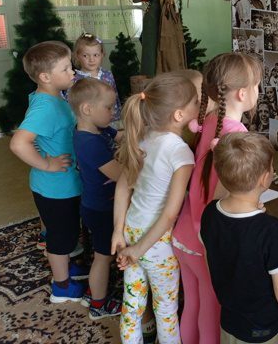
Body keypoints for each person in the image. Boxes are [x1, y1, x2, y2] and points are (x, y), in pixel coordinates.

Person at [172, 53, 262, 344]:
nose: (258, 91)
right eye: (257, 85)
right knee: (211, 311)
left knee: (192, 304)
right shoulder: (238, 135)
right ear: (242, 94)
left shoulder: (209, 119)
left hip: (183, 231)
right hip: (206, 241)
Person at [111, 73, 199, 344]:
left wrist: (118, 231)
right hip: (156, 243)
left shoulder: (143, 138)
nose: (200, 106)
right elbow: (170, 214)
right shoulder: (181, 153)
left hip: (132, 230)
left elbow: (123, 187)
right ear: (179, 115)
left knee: (132, 305)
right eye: (196, 102)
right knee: (166, 310)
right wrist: (139, 249)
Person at [10, 41, 86, 303]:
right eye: (65, 68)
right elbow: (18, 143)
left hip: (61, 185)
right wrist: (47, 164)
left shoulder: (53, 97)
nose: (72, 71)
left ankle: (64, 265)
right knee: (60, 238)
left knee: (65, 232)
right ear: (45, 77)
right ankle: (61, 286)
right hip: (56, 188)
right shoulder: (45, 107)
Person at [202, 132, 278, 344]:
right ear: (265, 178)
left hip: (229, 320)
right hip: (264, 329)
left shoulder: (209, 213)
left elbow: (211, 257)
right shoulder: (270, 229)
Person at [67, 78, 122, 319]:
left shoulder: (97, 129)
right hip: (102, 209)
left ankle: (92, 291)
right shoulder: (90, 143)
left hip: (95, 204)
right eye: (108, 107)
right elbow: (121, 175)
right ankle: (98, 305)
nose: (113, 112)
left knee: (102, 253)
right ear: (87, 109)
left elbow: (119, 136)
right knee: (103, 257)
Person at [70, 32, 121, 121]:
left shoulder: (107, 75)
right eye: (85, 56)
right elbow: (72, 105)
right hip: (86, 123)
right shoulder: (74, 80)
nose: (91, 59)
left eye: (95, 55)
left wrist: (116, 117)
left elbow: (114, 98)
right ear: (77, 56)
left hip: (108, 121)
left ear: (102, 55)